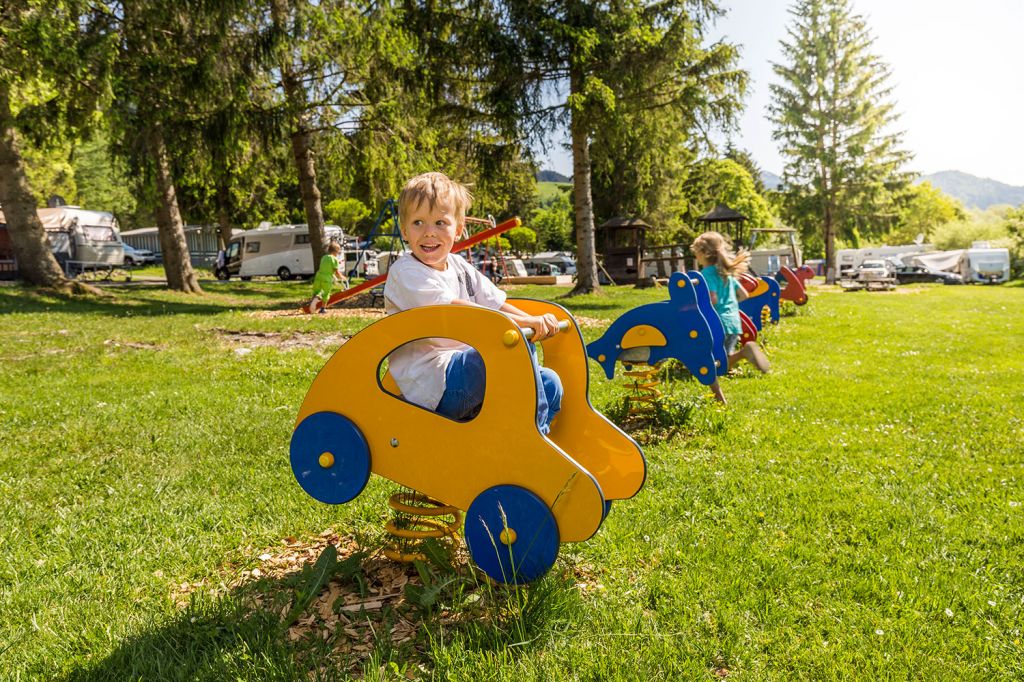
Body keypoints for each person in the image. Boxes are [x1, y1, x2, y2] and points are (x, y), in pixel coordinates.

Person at [383, 171, 563, 433]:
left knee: (550, 382)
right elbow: (452, 309)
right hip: (435, 385)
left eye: (440, 223)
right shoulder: (407, 272)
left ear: (458, 230)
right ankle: (533, 439)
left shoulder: (459, 266)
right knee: (511, 345)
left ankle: (516, 437)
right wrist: (520, 325)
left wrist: (530, 320)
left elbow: (496, 302)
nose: (429, 233)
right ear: (404, 230)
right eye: (418, 223)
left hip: (463, 371)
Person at [690, 231, 770, 402]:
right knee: (721, 363)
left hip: (716, 324)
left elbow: (712, 298)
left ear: (704, 253)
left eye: (696, 251)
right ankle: (720, 399)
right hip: (733, 323)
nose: (695, 254)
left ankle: (743, 355)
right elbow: (744, 294)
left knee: (707, 362)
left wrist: (697, 307)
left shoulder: (707, 274)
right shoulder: (725, 273)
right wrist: (730, 306)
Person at [309, 241, 346, 314]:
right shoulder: (334, 259)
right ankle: (322, 309)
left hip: (318, 276)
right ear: (335, 251)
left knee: (318, 291)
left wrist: (334, 278)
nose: (338, 254)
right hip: (327, 279)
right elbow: (336, 271)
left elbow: (325, 269)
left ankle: (315, 299)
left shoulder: (324, 257)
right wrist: (342, 277)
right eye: (338, 252)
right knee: (326, 294)